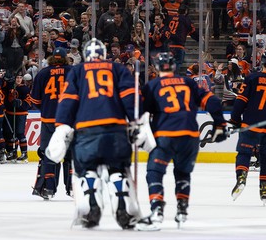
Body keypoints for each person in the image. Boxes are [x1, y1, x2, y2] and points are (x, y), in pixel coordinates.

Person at [45, 38, 157, 230]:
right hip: (116, 130)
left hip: (86, 130)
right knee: (118, 170)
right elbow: (130, 97)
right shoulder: (117, 69)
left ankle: (90, 209)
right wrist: (136, 121)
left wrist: (62, 125)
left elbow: (68, 100)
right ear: (104, 55)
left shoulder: (78, 71)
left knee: (87, 170)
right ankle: (124, 209)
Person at [141, 52, 227, 228]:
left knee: (155, 172)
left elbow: (141, 112)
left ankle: (157, 209)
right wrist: (220, 125)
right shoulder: (188, 83)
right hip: (189, 136)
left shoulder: (153, 85)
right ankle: (182, 209)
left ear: (157, 68)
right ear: (173, 66)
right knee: (182, 173)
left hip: (165, 135)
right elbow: (213, 102)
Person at [30, 47, 72, 200]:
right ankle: (72, 187)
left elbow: (35, 100)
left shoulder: (42, 73)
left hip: (48, 119)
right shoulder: (72, 72)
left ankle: (48, 188)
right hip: (68, 119)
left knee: (49, 154)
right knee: (70, 154)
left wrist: (47, 108)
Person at [230, 53, 266, 204]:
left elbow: (241, 100)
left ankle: (242, 176)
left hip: (250, 123)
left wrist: (234, 119)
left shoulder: (252, 78)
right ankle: (264, 189)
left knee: (244, 152)